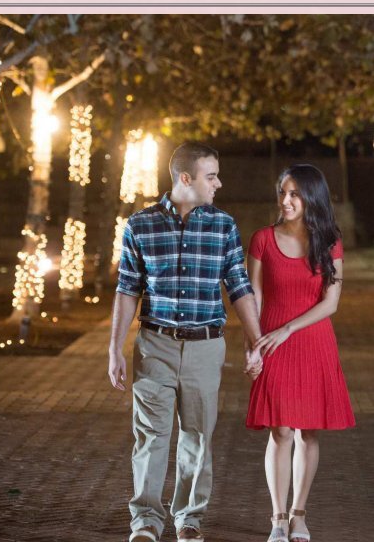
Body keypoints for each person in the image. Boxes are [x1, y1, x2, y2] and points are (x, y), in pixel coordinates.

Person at [109, 142, 262, 542]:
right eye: (211, 176)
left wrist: (255, 339)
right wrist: (114, 349)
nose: (219, 183)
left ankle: (189, 518)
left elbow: (238, 286)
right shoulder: (140, 225)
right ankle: (145, 520)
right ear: (186, 178)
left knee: (197, 436)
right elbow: (127, 289)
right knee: (151, 436)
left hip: (205, 347)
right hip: (154, 345)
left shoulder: (224, 225)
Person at [245, 164, 355, 542]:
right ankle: (277, 518)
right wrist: (253, 345)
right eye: (283, 193)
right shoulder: (261, 239)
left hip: (312, 341)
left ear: (311, 198)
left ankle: (298, 516)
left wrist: (289, 328)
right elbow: (253, 298)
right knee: (280, 432)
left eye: (295, 194)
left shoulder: (330, 241)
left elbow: (332, 302)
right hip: (271, 343)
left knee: (309, 432)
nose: (287, 200)